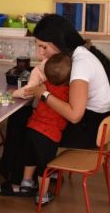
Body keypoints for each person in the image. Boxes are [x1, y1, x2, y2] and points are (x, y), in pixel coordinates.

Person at [0, 13, 110, 193]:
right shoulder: (78, 54)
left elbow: (74, 115)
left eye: (43, 47)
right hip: (95, 122)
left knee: (27, 126)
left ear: (58, 42)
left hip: (89, 130)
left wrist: (44, 94)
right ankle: (41, 171)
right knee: (24, 117)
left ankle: (20, 183)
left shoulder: (80, 64)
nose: (40, 52)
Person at [19, 52, 71, 205]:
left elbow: (36, 92)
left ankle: (26, 183)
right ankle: (42, 195)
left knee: (30, 157)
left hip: (32, 127)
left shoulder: (44, 85)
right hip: (49, 134)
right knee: (44, 166)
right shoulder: (67, 91)